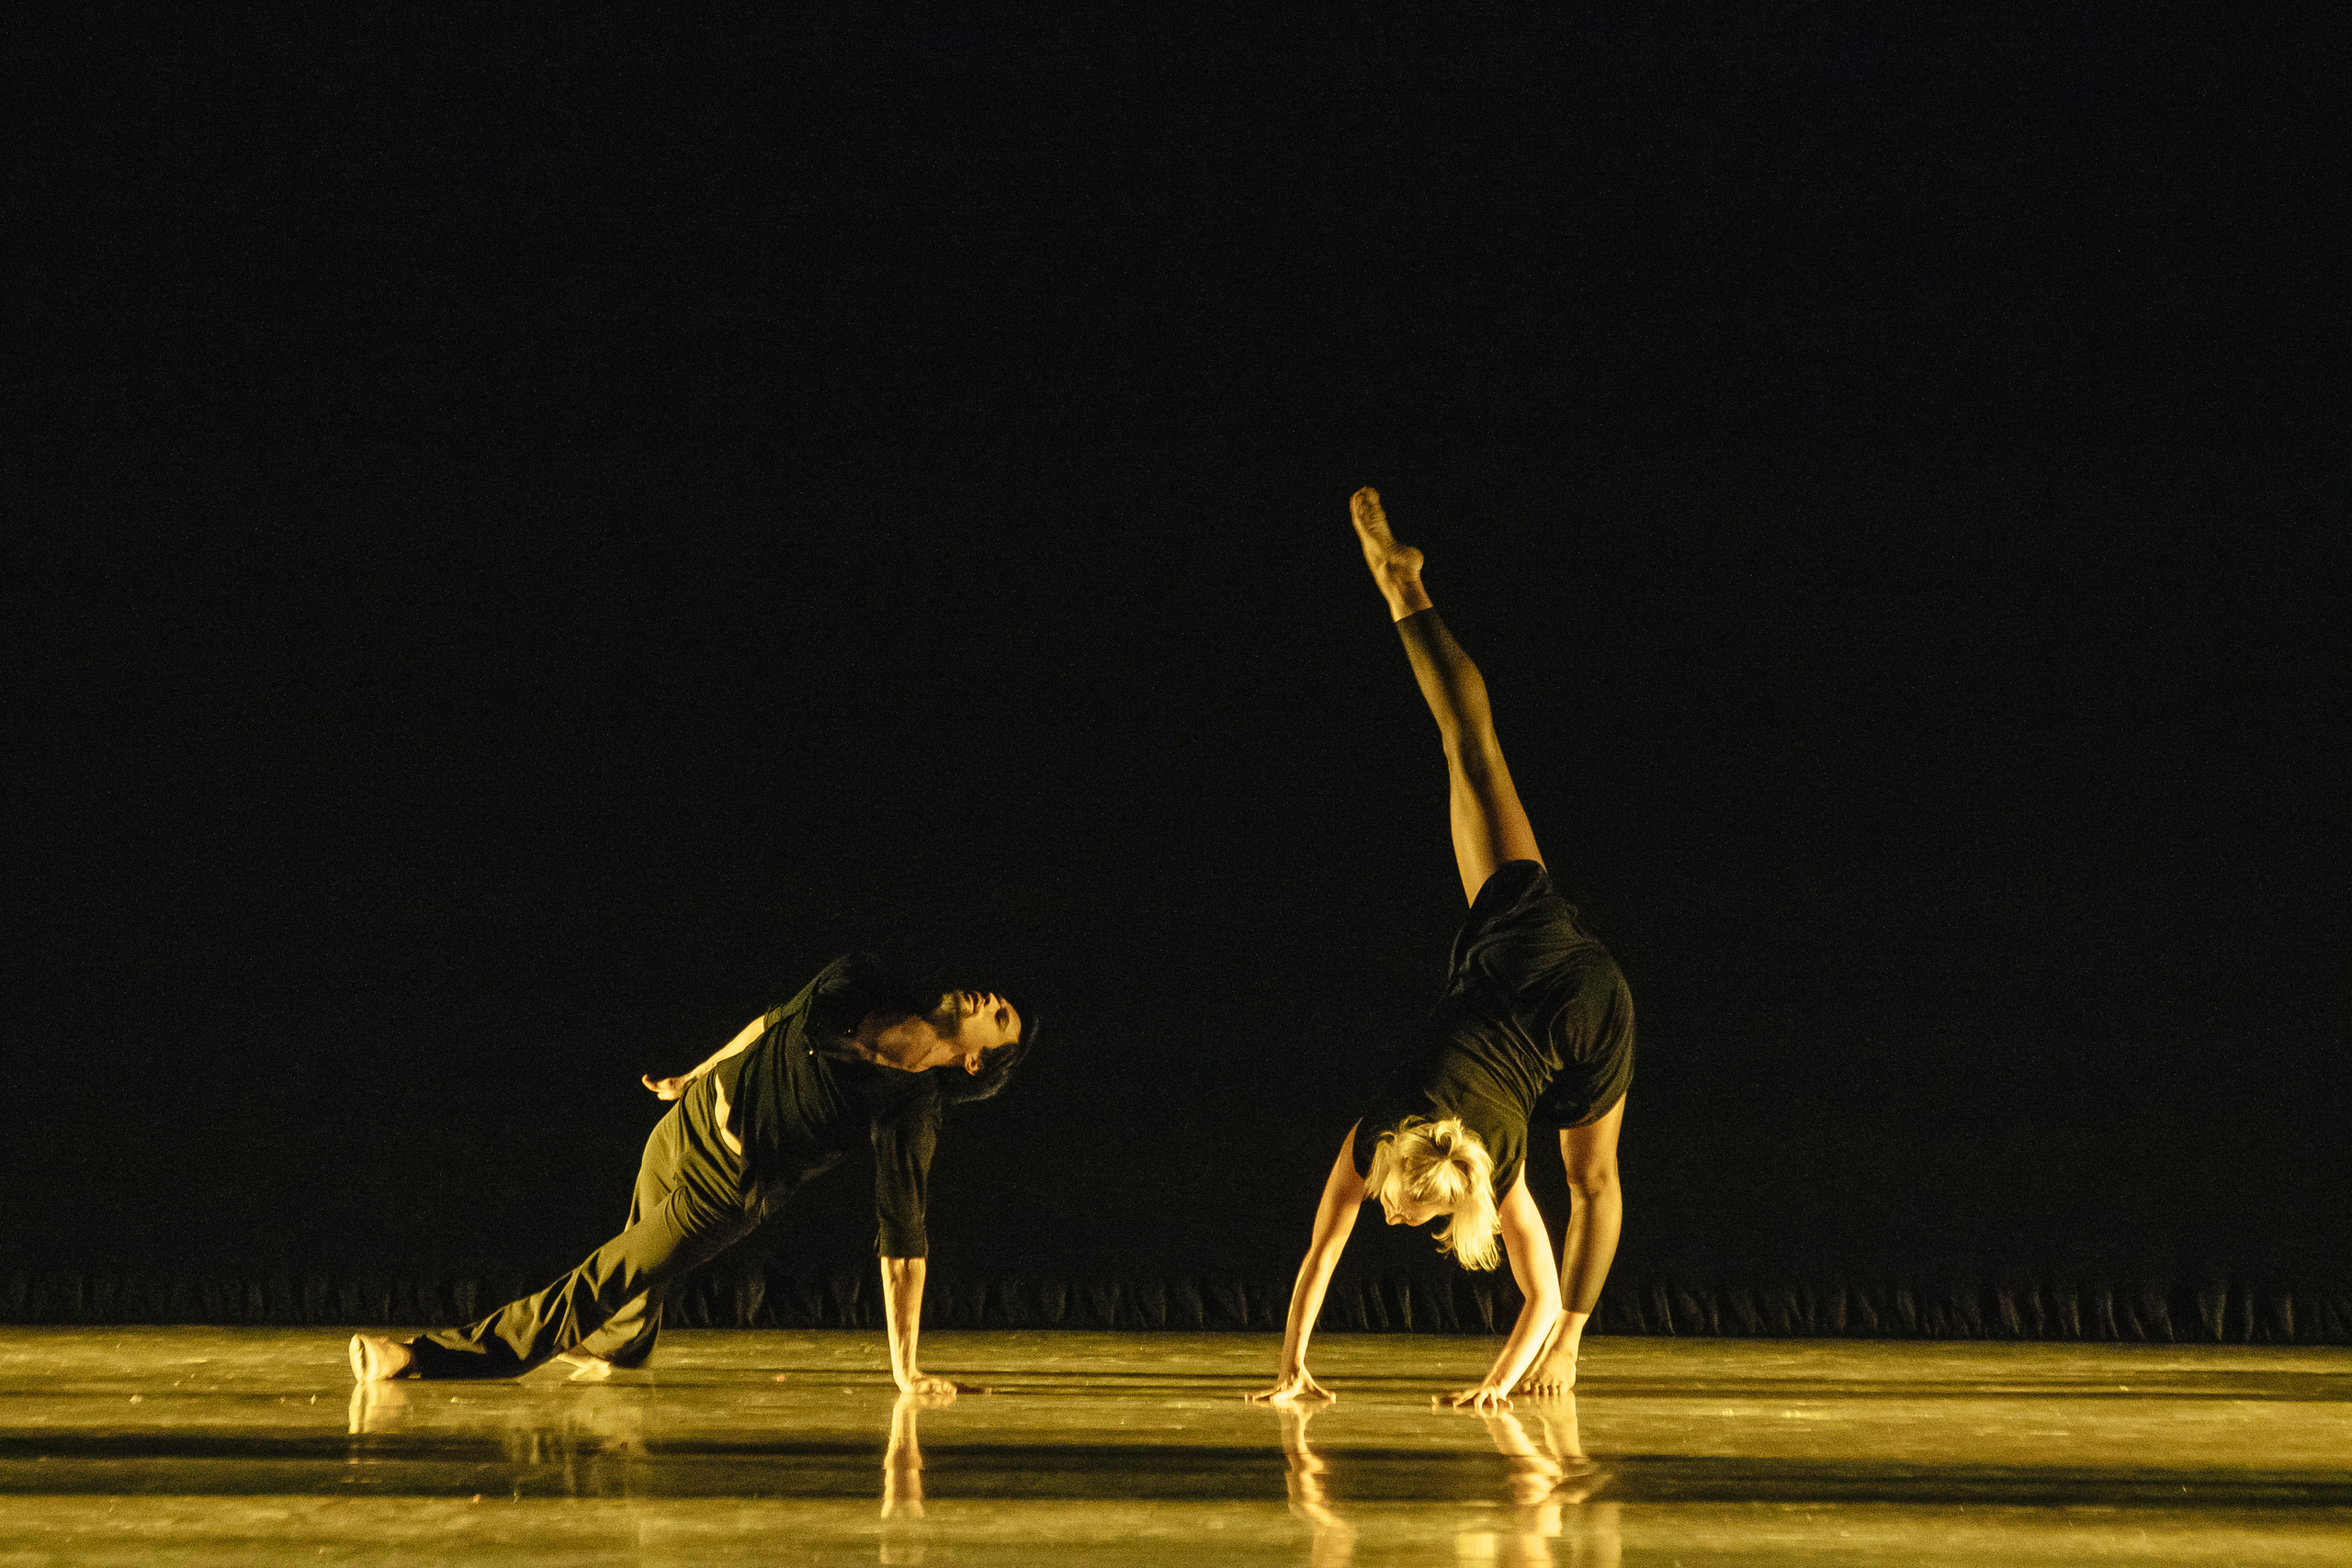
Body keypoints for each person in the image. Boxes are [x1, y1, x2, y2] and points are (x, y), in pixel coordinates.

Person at [1250, 488, 1634, 1412]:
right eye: (1404, 1208)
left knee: (1591, 1184)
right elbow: (1335, 1250)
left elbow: (1323, 1251)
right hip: (1552, 989)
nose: (1389, 1212)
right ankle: (1401, 593)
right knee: (1474, 755)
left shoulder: (1467, 1167)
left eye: (1395, 1205)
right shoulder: (1447, 1161)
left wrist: (1502, 1383)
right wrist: (1292, 1368)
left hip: (1560, 989)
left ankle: (1400, 587)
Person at [349, 953, 1033, 1393]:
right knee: (633, 1259)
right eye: (995, 998)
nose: (986, 997)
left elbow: (902, 1243)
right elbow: (769, 1024)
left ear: (978, 1061)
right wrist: (694, 1076)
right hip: (690, 1121)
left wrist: (904, 1370)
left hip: (724, 1188)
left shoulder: (910, 1107)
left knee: (607, 1273)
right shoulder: (866, 979)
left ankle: (419, 1356)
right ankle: (622, 1346)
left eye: (997, 1016)